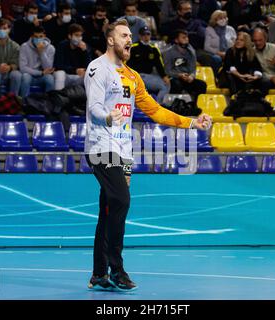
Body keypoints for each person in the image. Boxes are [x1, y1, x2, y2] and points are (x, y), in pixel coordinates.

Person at [84, 19, 212, 291]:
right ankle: (117, 270)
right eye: (123, 35)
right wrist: (108, 117)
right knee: (121, 200)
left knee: (109, 210)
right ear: (110, 40)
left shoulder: (133, 76)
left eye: (130, 35)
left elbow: (156, 111)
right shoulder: (98, 68)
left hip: (123, 149)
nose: (129, 39)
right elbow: (94, 106)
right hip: (100, 145)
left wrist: (192, 122)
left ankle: (98, 273)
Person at [127, 26, 170, 103]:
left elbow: (159, 64)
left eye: (148, 34)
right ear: (140, 36)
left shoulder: (154, 49)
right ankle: (156, 107)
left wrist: (164, 76)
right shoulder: (133, 48)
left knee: (167, 84)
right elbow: (125, 63)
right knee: (164, 86)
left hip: (149, 76)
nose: (146, 37)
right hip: (136, 76)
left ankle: (156, 105)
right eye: (144, 35)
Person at [163, 29, 207, 101]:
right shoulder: (168, 52)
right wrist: (179, 75)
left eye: (187, 37)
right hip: (174, 78)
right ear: (176, 40)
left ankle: (195, 106)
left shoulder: (191, 51)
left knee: (202, 85)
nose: (186, 39)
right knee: (176, 84)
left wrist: (192, 76)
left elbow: (193, 68)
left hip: (187, 78)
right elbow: (167, 71)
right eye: (183, 38)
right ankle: (176, 107)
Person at [19, 25, 55, 96]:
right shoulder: (24, 46)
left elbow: (48, 68)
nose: (38, 39)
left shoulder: (51, 48)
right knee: (25, 77)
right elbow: (23, 68)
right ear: (32, 37)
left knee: (50, 79)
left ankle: (48, 104)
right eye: (36, 37)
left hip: (43, 76)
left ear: (44, 36)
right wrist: (40, 73)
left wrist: (42, 53)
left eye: (41, 37)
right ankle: (24, 103)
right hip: (30, 74)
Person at [54, 23, 90, 89]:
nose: (79, 38)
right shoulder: (62, 45)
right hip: (66, 76)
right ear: (70, 36)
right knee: (60, 73)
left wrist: (85, 51)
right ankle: (59, 98)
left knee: (91, 76)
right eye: (76, 35)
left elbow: (89, 66)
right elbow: (58, 65)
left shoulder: (84, 47)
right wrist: (75, 70)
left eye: (80, 35)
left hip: (78, 77)